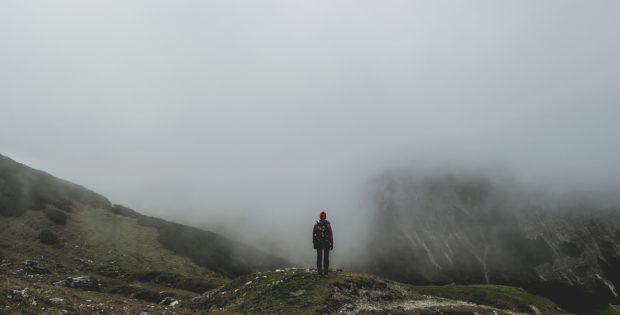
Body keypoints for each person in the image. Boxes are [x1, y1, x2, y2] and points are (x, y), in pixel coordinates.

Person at [312, 211, 333, 276]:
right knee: (326, 258)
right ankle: (326, 273)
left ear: (320, 217)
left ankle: (319, 273)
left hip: (318, 243)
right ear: (325, 217)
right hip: (326, 243)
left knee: (319, 258)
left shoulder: (316, 225)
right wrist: (332, 243)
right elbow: (330, 235)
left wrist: (314, 243)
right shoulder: (328, 225)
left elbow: (314, 235)